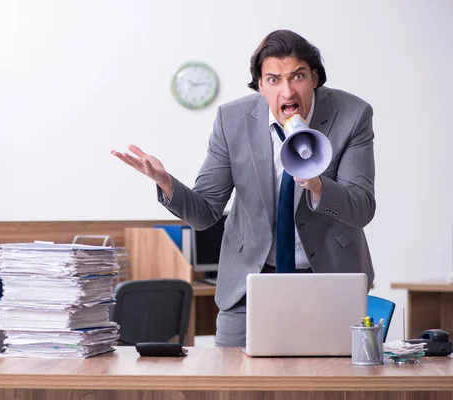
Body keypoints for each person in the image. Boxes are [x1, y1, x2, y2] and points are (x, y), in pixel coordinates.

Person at [111, 29, 376, 347]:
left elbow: (362, 208)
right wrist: (165, 182)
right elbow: (205, 213)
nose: (288, 92)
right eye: (274, 80)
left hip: (330, 280)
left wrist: (317, 184)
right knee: (232, 384)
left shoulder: (352, 115)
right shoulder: (231, 119)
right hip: (250, 282)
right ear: (260, 85)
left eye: (298, 76)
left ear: (315, 77)